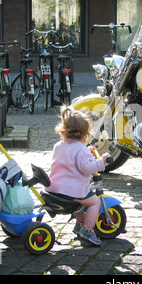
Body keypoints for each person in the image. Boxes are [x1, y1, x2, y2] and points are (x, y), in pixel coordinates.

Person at [45, 105, 110, 246]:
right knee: (94, 202)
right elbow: (86, 168)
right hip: (71, 190)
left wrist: (87, 151)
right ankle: (87, 230)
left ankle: (80, 224)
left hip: (54, 186)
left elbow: (71, 159)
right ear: (85, 133)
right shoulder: (80, 149)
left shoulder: (59, 145)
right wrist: (101, 162)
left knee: (80, 203)